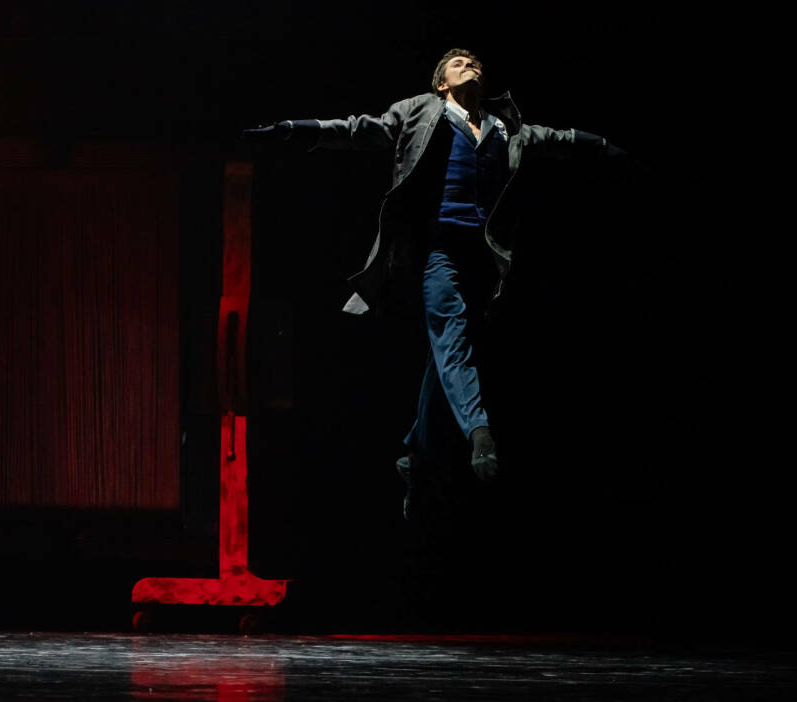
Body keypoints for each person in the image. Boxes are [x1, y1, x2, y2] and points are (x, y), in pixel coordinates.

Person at [244, 48, 623, 520]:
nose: (471, 66)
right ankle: (479, 434)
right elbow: (359, 129)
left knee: (444, 358)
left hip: (483, 260)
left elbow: (558, 140)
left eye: (475, 62)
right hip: (437, 252)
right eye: (459, 64)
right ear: (441, 83)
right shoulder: (421, 111)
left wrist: (605, 146)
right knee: (451, 337)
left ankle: (416, 456)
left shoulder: (506, 127)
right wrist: (296, 130)